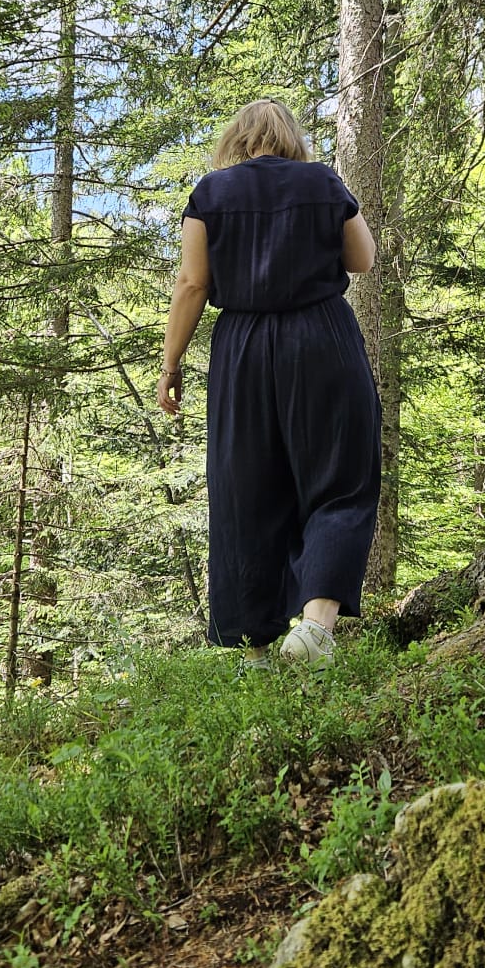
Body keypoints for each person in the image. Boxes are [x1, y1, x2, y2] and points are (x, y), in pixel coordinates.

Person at [157, 98, 381, 671]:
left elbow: (191, 283)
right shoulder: (322, 181)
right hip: (322, 337)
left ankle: (254, 648)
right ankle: (314, 627)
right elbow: (363, 259)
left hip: (243, 350)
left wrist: (171, 364)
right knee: (340, 480)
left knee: (246, 492)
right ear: (291, 139)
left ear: (238, 139)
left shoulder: (211, 193)